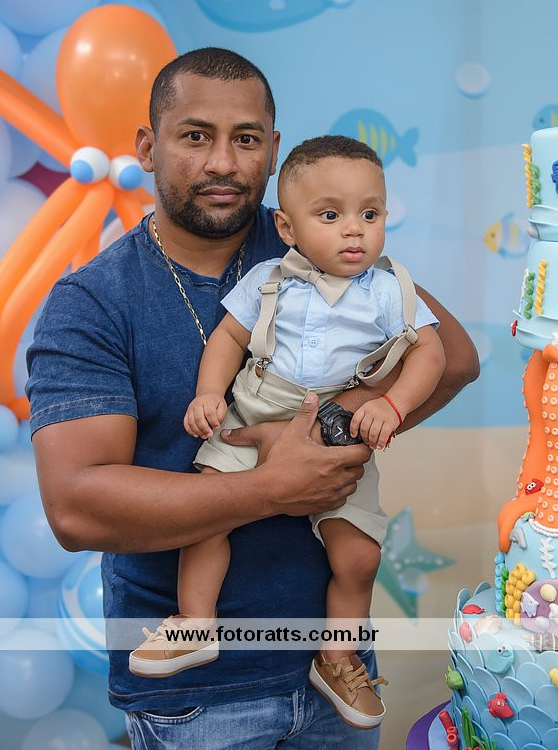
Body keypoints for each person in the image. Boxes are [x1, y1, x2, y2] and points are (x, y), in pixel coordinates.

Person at [26, 48, 479, 750]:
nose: (222, 163)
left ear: (271, 150)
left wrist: (329, 421)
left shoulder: (322, 234)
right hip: (194, 699)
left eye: (245, 139)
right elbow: (76, 506)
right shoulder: (93, 302)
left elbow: (453, 360)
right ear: (147, 147)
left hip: (335, 674)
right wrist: (272, 485)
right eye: (195, 136)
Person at [128, 135, 446, 731]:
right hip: (253, 409)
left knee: (360, 556)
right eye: (330, 215)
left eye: (370, 214)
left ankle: (337, 657)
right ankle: (195, 623)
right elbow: (229, 338)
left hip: (336, 428)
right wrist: (208, 394)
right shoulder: (270, 278)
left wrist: (393, 405)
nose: (353, 231)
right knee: (208, 511)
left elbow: (431, 353)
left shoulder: (388, 288)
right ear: (287, 227)